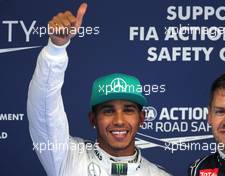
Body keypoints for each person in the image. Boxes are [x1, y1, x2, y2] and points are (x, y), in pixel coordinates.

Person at [27, 3, 171, 176]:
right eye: (108, 111)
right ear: (92, 119)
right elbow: (44, 114)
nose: (119, 120)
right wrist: (56, 49)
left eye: (128, 110)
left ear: (141, 118)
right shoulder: (67, 157)